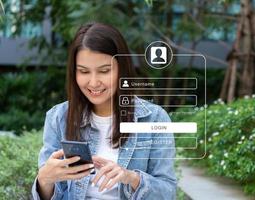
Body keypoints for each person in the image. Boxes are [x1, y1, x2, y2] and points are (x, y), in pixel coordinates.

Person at [31, 22, 177, 200]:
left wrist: (130, 178)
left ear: (121, 69)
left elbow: (167, 192)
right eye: (84, 71)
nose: (93, 83)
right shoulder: (58, 117)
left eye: (104, 71)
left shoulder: (154, 119)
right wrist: (45, 179)